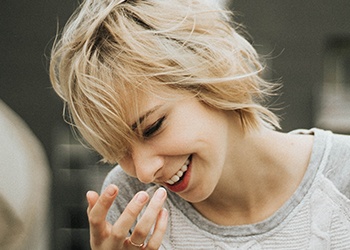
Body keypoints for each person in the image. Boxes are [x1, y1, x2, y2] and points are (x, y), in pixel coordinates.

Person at [49, 0, 350, 249]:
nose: (144, 170)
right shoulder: (133, 202)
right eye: (119, 151)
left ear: (209, 71)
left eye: (153, 126)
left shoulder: (342, 179)